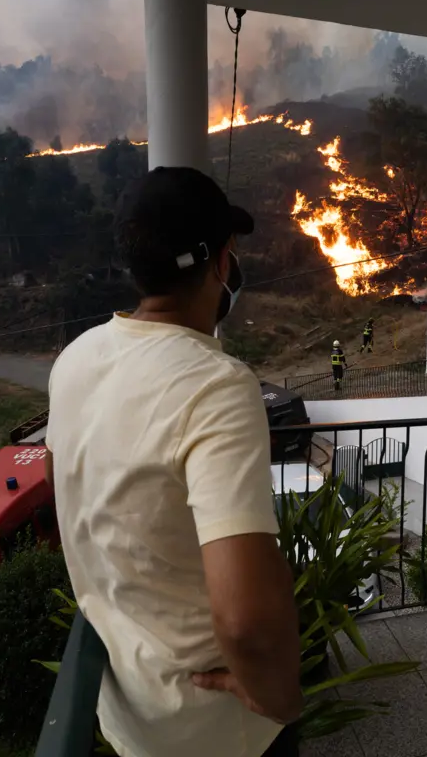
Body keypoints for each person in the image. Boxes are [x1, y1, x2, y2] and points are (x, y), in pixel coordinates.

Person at [44, 166, 302, 757]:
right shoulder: (217, 386)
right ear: (220, 262)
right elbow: (246, 622)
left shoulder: (75, 359)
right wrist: (282, 700)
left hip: (130, 717)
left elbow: (66, 504)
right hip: (219, 729)